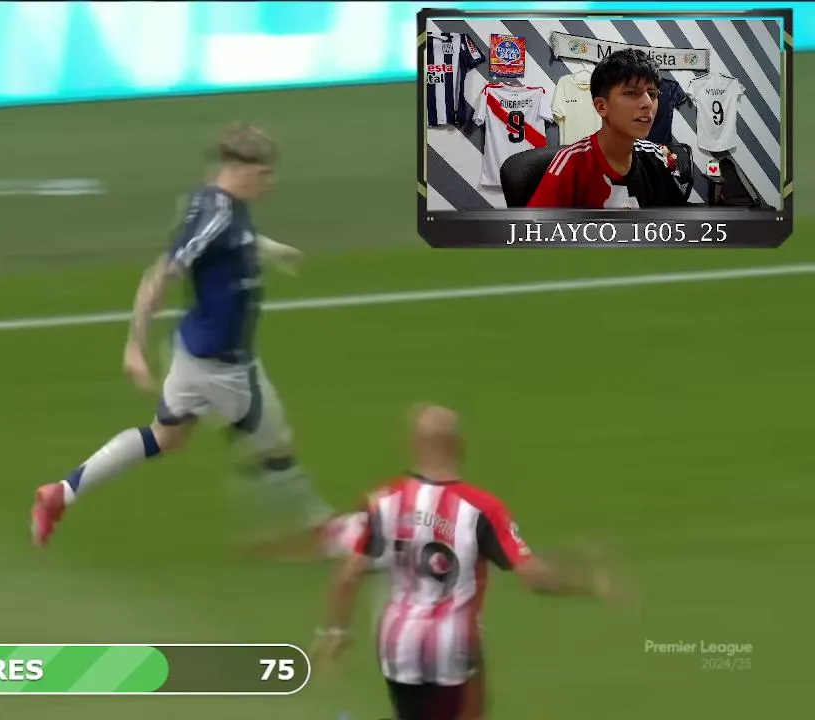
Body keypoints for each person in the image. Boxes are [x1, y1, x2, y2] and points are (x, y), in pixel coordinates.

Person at [31, 123, 344, 560]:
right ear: (239, 169)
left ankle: (62, 492)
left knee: (166, 437)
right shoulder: (217, 216)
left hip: (192, 350)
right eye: (264, 174)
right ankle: (324, 530)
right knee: (274, 445)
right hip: (224, 366)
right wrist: (134, 346)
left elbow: (233, 238)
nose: (269, 183)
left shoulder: (216, 201)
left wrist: (270, 249)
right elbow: (159, 277)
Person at [311, 404, 623, 720]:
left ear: (414, 445)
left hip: (398, 644)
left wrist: (335, 632)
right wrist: (591, 584)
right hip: (453, 648)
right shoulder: (483, 508)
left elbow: (348, 574)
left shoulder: (385, 501)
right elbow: (535, 578)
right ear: (459, 445)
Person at [528, 49, 687, 209]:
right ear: (601, 107)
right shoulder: (569, 164)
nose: (648, 104)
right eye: (631, 93)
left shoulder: (659, 156)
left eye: (652, 94)